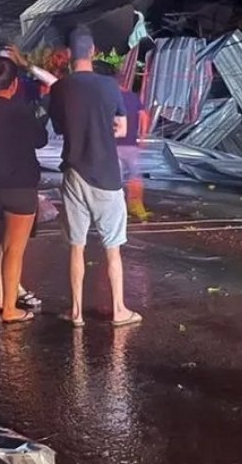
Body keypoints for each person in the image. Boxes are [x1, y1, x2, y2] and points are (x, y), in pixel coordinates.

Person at [49, 25, 142, 328]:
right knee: (112, 248)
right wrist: (107, 128)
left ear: (67, 55)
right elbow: (123, 129)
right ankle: (119, 310)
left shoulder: (60, 88)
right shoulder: (109, 86)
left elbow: (61, 129)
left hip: (73, 174)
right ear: (93, 52)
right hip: (106, 175)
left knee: (77, 247)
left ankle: (75, 313)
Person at [0, 57, 48, 324]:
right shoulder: (20, 110)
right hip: (19, 188)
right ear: (14, 84)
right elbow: (41, 139)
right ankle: (11, 310)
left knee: (1, 244)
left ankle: (2, 298)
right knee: (15, 249)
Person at [93, 61, 152, 222]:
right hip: (131, 144)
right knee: (134, 176)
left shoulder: (105, 97)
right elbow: (144, 115)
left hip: (114, 146)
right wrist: (144, 136)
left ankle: (112, 211)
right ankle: (136, 207)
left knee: (114, 179)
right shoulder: (130, 96)